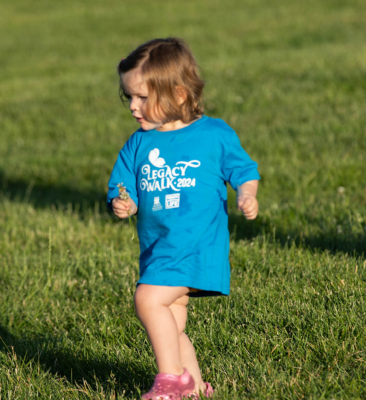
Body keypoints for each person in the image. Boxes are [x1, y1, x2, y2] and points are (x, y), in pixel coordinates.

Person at [107, 37, 260, 400]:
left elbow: (243, 169)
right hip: (158, 251)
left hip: (196, 247)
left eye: (142, 97)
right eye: (128, 97)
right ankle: (194, 387)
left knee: (147, 300)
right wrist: (122, 203)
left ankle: (171, 381)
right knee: (172, 327)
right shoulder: (138, 144)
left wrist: (247, 193)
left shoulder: (213, 134)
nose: (132, 106)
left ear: (177, 94)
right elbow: (121, 185)